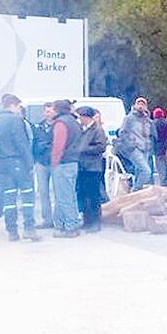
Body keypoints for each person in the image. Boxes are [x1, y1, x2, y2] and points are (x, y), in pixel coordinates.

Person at [0, 94, 39, 242]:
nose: (20, 109)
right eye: (19, 106)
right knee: (27, 197)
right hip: (18, 163)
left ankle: (12, 231)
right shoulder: (15, 120)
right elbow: (21, 143)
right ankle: (29, 229)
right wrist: (30, 163)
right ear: (13, 105)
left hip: (2, 164)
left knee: (9, 198)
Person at [50, 99, 83, 237]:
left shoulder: (61, 123)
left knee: (64, 197)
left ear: (57, 109)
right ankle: (63, 224)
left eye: (52, 108)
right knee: (70, 195)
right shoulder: (74, 122)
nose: (50, 111)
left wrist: (54, 162)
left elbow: (58, 144)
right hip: (73, 162)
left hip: (63, 163)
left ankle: (70, 227)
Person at [76, 106, 107, 232]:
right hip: (82, 166)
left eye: (80, 117)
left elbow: (101, 147)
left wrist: (84, 149)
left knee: (93, 195)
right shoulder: (81, 129)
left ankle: (96, 222)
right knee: (83, 194)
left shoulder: (97, 130)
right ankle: (86, 220)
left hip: (93, 167)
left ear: (86, 117)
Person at [117, 96, 155, 190]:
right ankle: (136, 189)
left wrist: (151, 144)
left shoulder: (148, 120)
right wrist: (131, 145)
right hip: (135, 148)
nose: (141, 106)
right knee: (146, 171)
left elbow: (152, 134)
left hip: (146, 148)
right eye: (139, 103)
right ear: (134, 105)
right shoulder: (129, 119)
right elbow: (122, 133)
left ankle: (135, 192)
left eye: (143, 104)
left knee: (139, 171)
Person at [32, 102, 56, 229]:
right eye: (46, 111)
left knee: (58, 192)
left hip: (55, 162)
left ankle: (58, 218)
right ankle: (47, 219)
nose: (48, 113)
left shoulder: (59, 125)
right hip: (41, 162)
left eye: (51, 111)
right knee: (43, 192)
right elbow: (33, 142)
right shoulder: (38, 127)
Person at [152, 108, 167, 184]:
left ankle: (162, 182)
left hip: (157, 148)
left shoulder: (153, 123)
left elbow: (152, 136)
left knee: (160, 167)